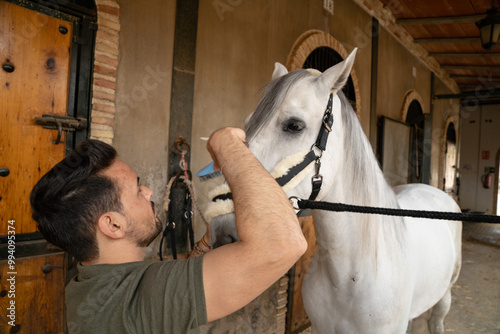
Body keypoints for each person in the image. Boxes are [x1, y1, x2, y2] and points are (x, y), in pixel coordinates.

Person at [30, 127, 307, 333]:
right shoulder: (139, 301)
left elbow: (171, 279)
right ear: (113, 224)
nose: (149, 191)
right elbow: (285, 244)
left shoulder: (86, 284)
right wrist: (225, 144)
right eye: (138, 190)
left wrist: (206, 243)